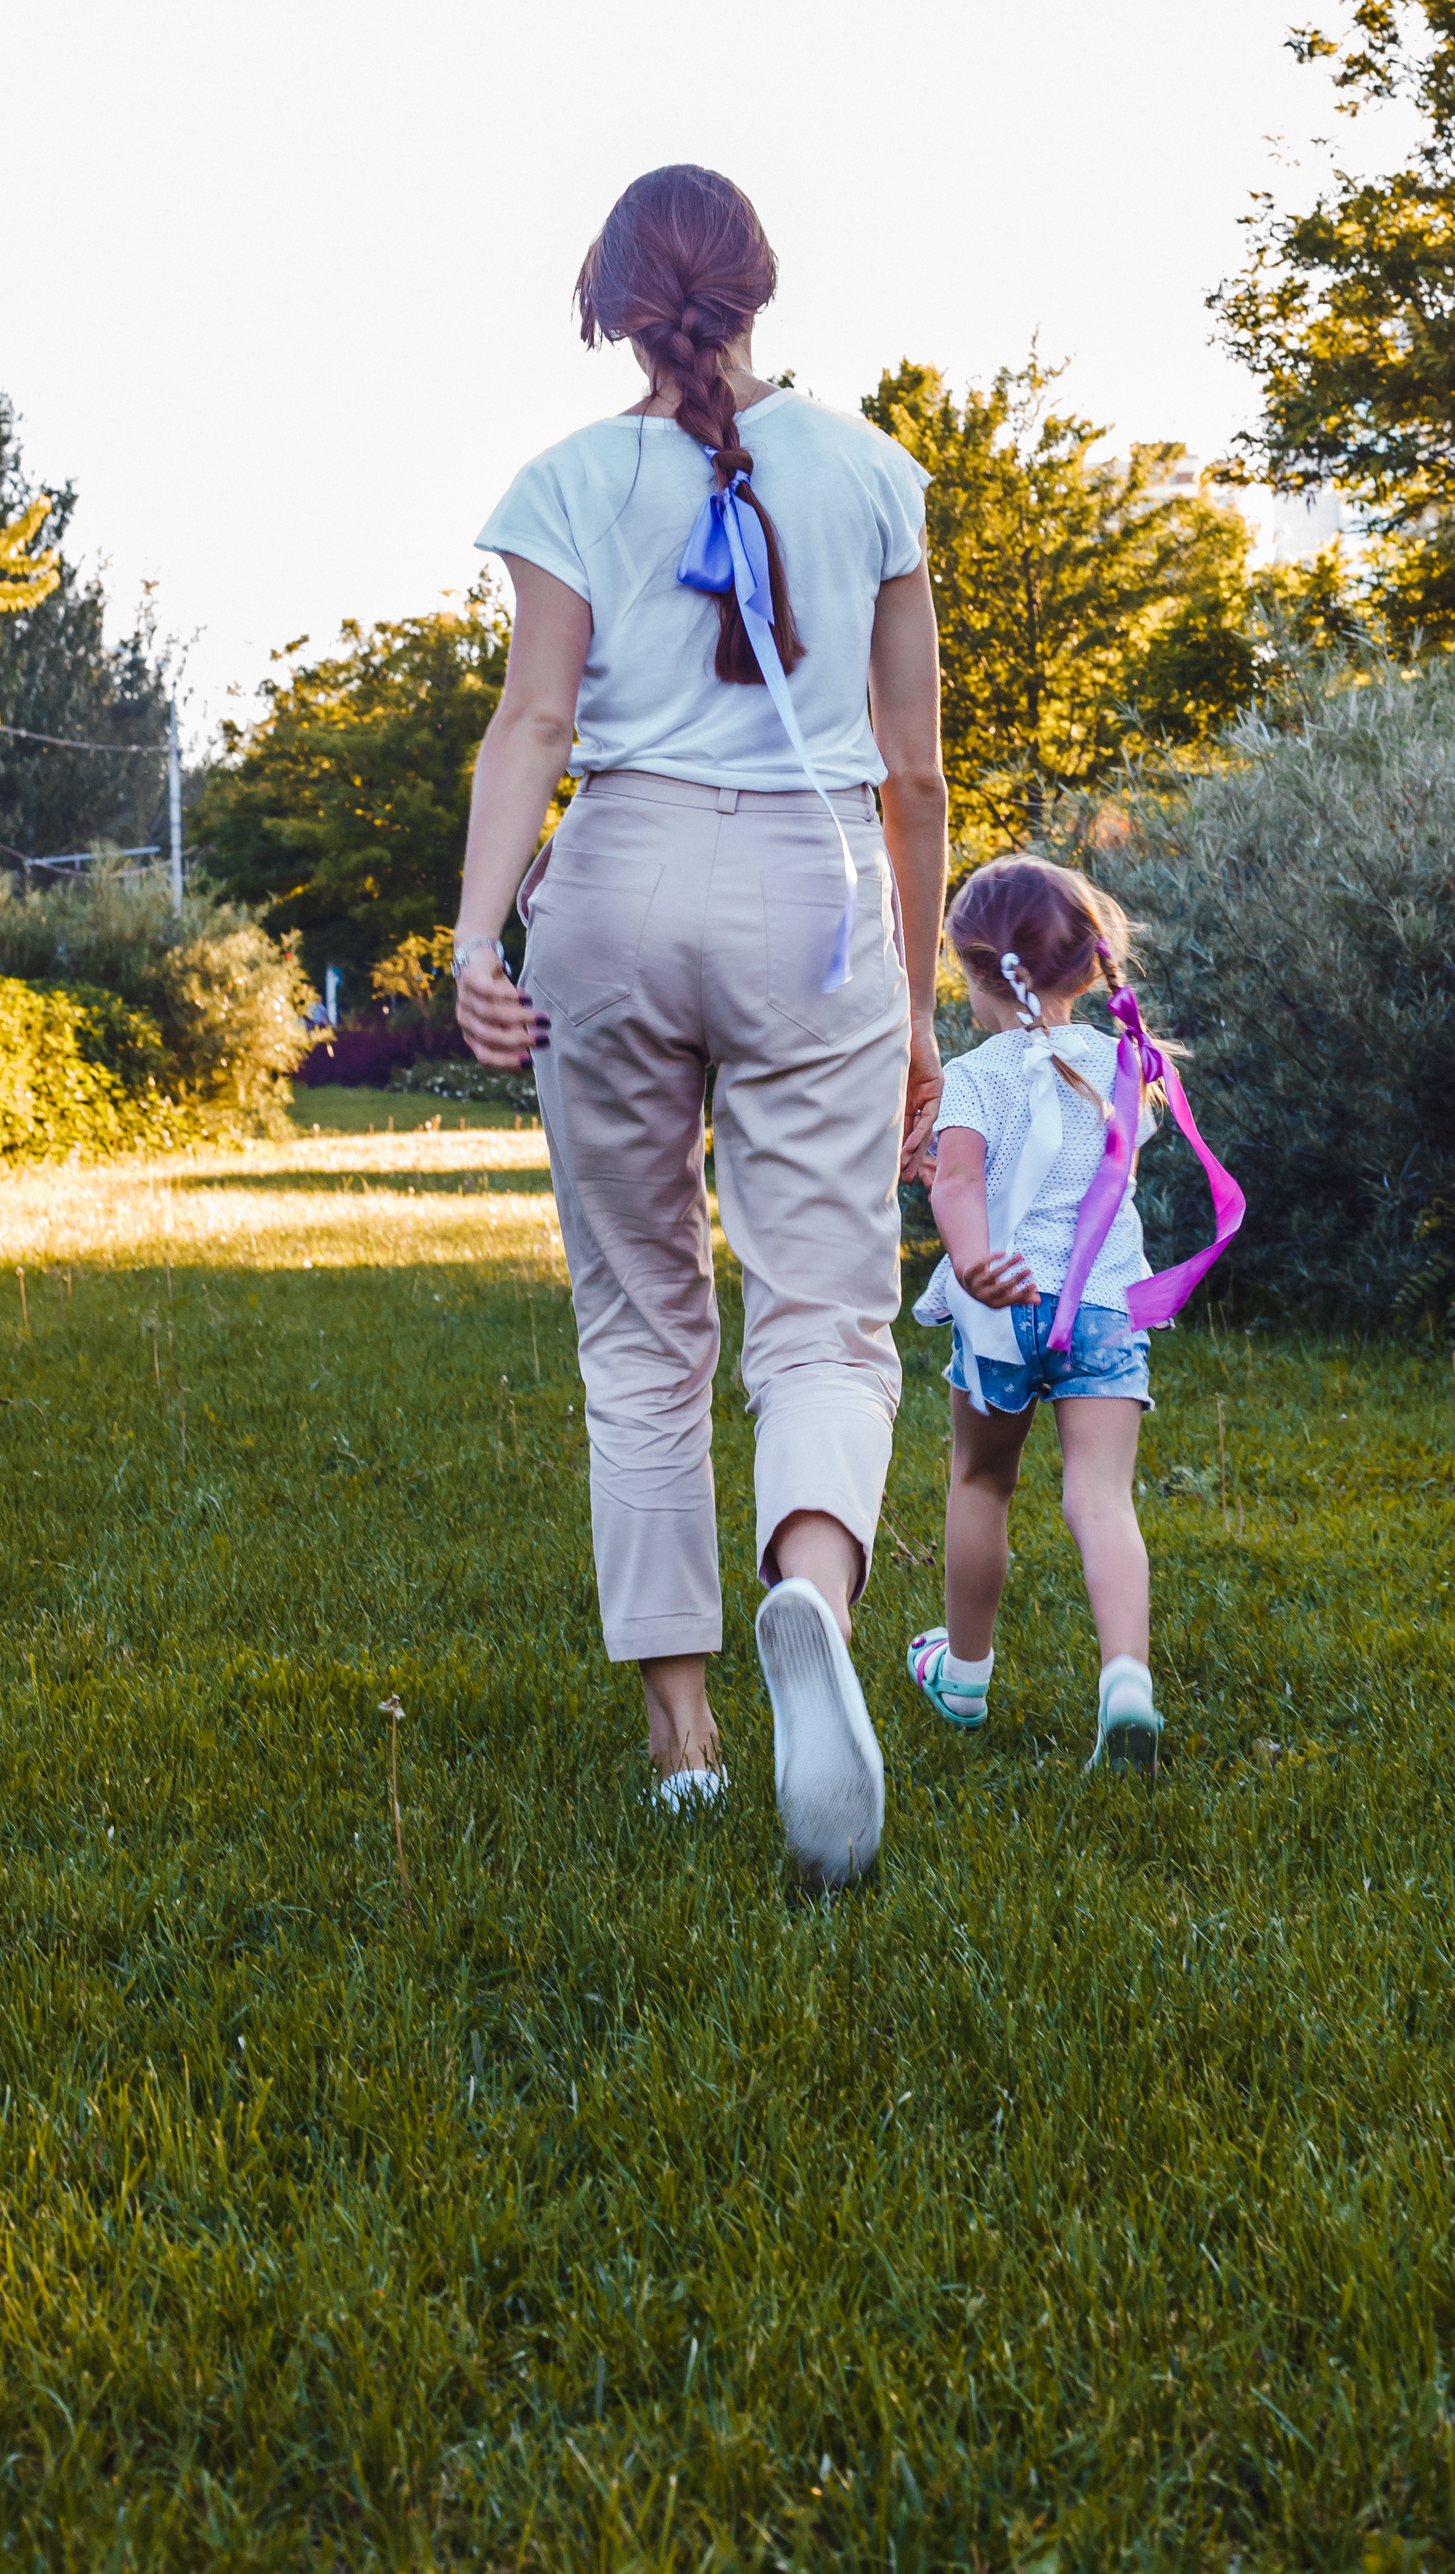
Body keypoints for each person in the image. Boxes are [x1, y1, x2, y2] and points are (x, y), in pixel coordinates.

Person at [453, 164, 947, 1887]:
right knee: (824, 1311)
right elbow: (915, 769)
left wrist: (474, 935)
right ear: (761, 287)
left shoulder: (571, 482)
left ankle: (683, 1741)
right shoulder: (878, 472)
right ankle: (807, 1590)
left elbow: (530, 723)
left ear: (608, 295)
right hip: (816, 893)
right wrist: (916, 991)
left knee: (641, 1322)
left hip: (622, 869)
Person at [905, 855, 1174, 1769]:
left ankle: (966, 1676)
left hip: (1007, 1305)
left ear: (979, 974)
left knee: (981, 1485)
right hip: (1103, 1306)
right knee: (1101, 1497)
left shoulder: (977, 1076)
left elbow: (960, 1181)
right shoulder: (1125, 1063)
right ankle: (1126, 1680)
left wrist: (976, 1263)